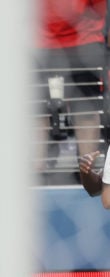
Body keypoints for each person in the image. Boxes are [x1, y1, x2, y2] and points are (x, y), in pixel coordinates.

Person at [37, 0, 106, 184]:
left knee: (86, 110)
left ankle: (88, 172)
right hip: (37, 40)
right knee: (36, 110)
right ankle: (37, 172)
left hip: (84, 38)